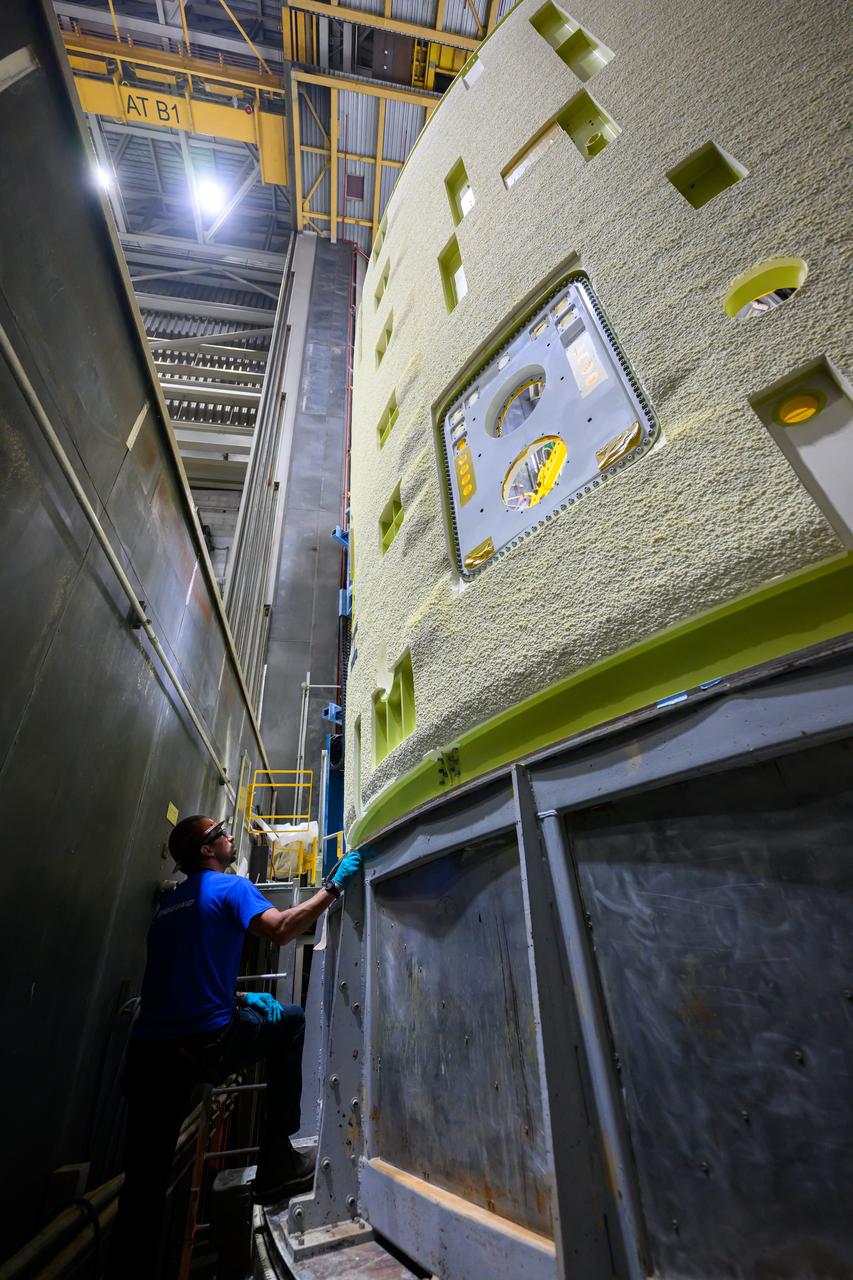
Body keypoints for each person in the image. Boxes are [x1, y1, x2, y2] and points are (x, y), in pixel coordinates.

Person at [108, 813, 362, 1279]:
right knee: (291, 1021)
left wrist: (242, 995)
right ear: (207, 851)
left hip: (148, 1055)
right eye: (221, 833)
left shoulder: (169, 907)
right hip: (204, 1043)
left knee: (143, 1187)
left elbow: (183, 974)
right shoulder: (231, 887)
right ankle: (279, 1163)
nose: (229, 836)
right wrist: (334, 885)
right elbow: (283, 928)